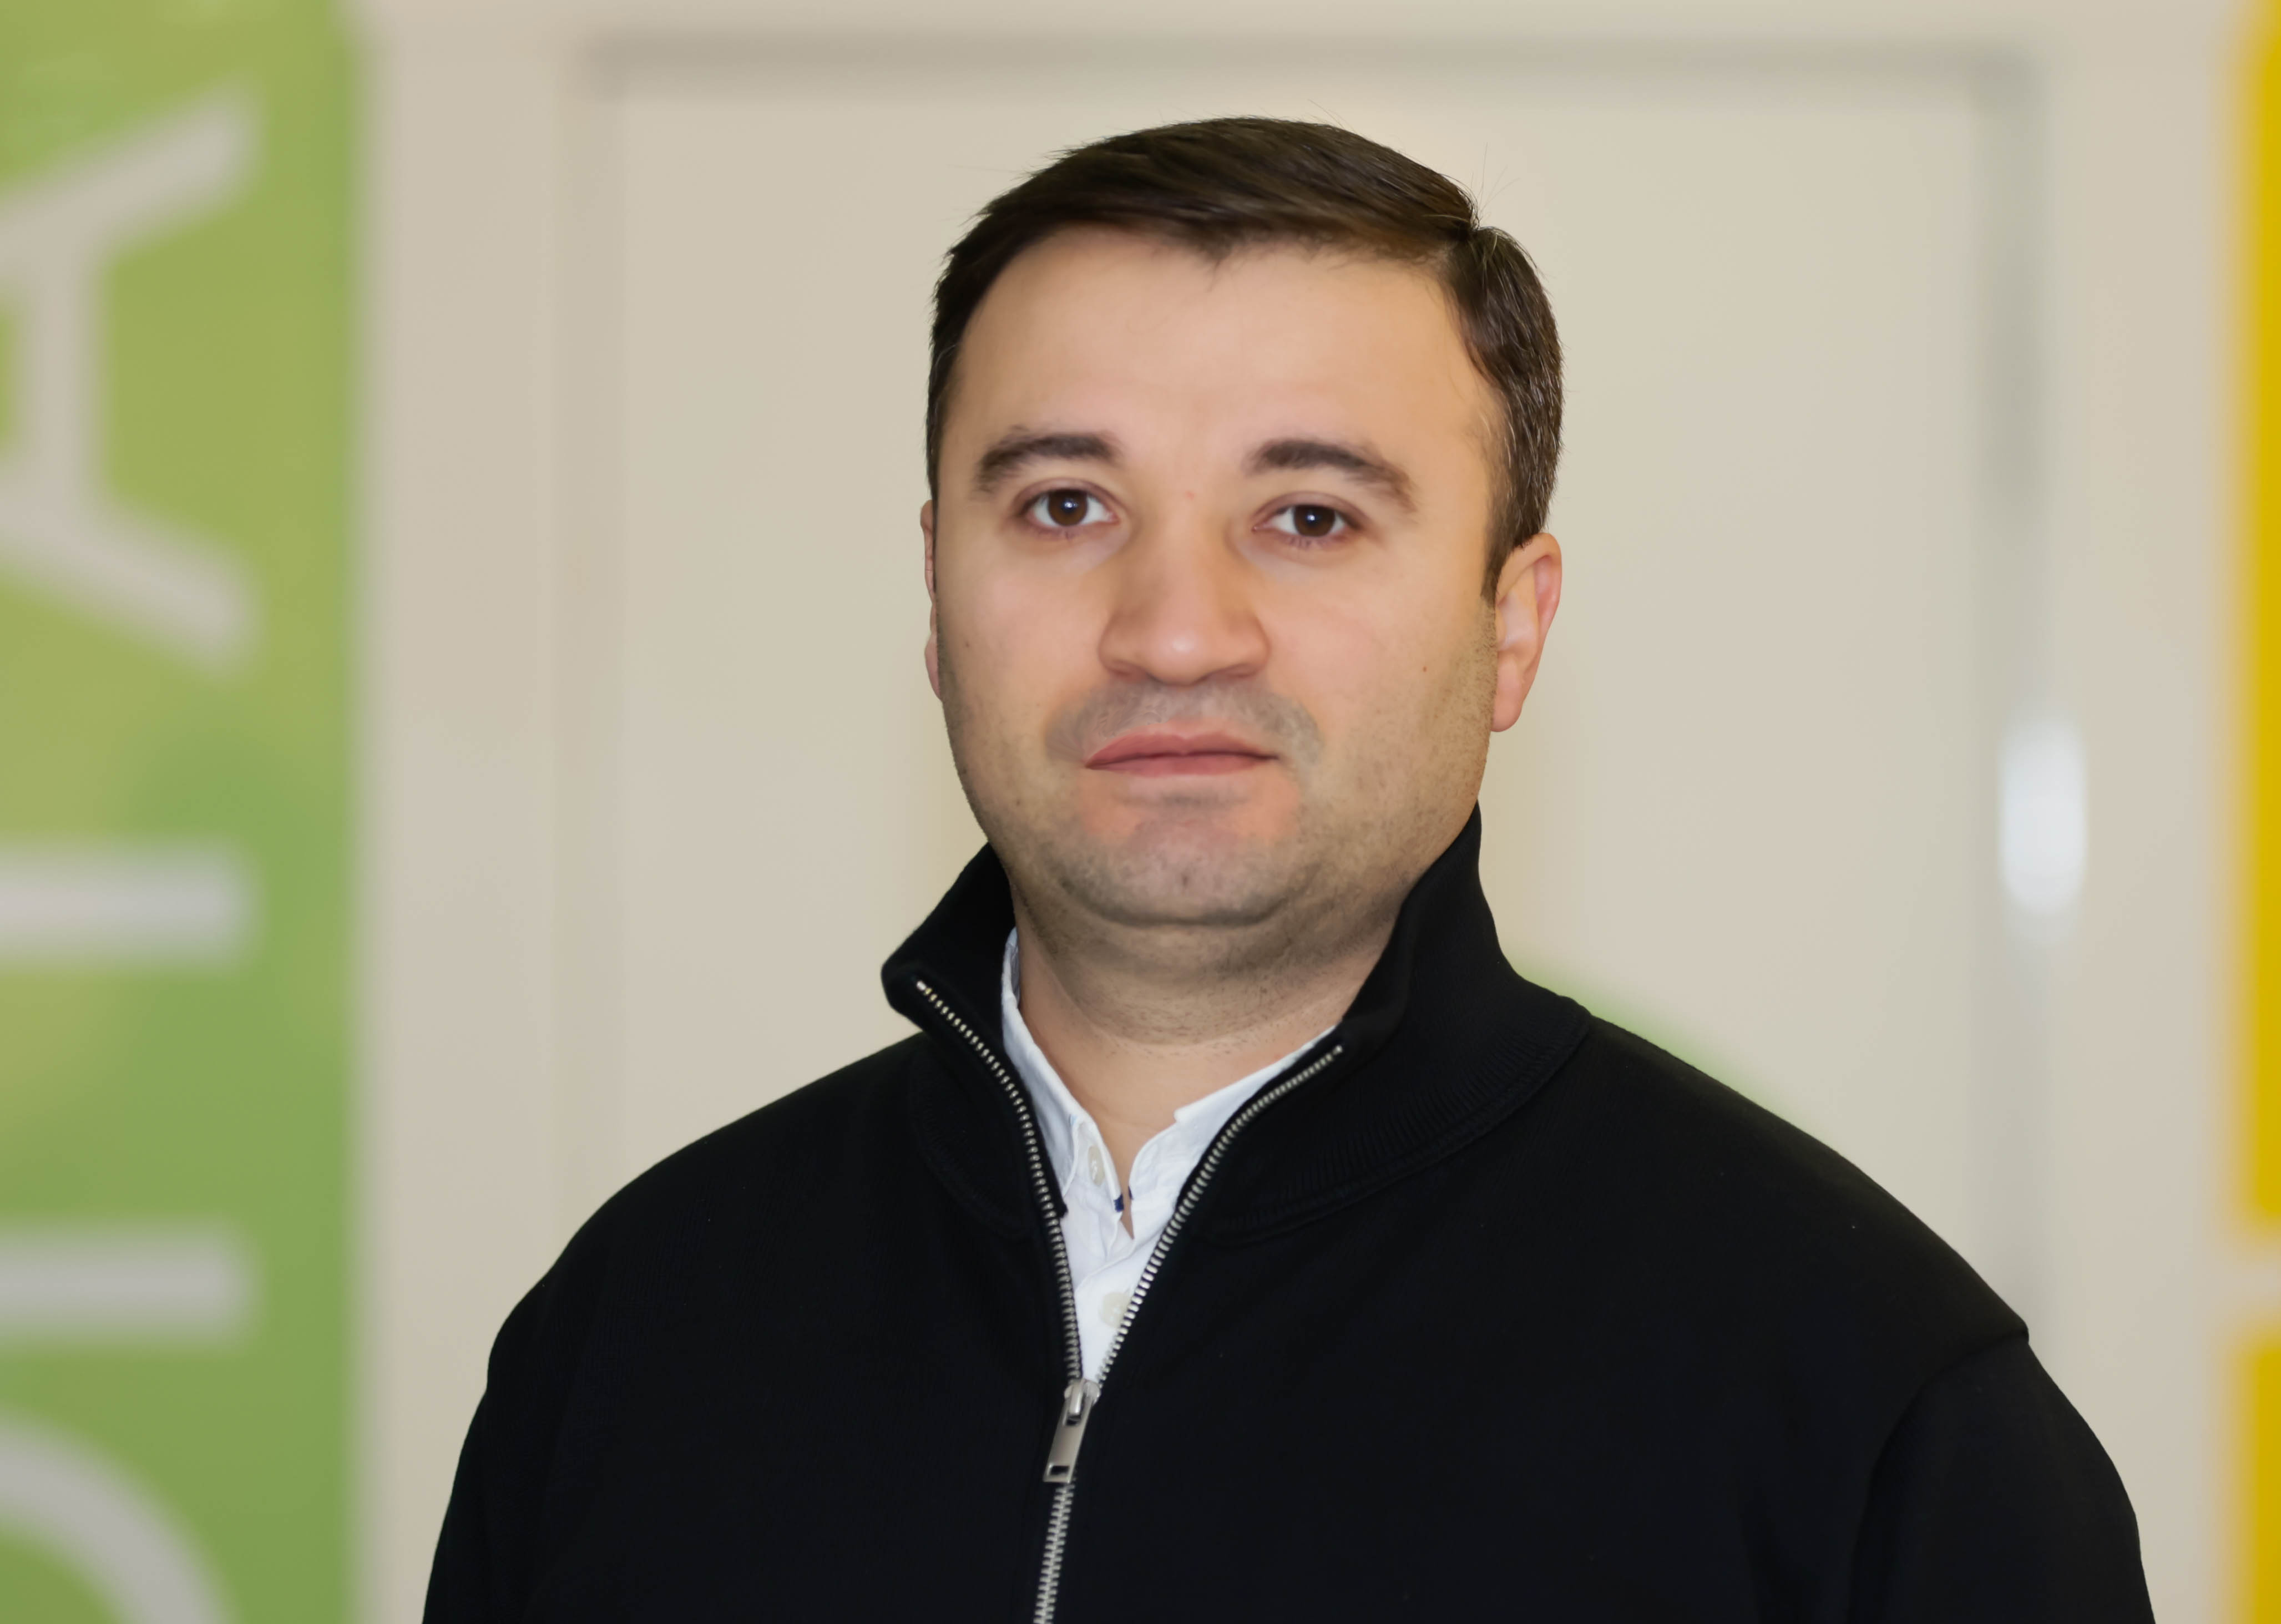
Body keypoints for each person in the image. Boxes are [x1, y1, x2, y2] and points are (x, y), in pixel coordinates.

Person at [425, 118, 2151, 1621]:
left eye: (1310, 516)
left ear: (1511, 624)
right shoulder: (635, 1333)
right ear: (938, 593)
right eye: (1065, 505)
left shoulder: (1869, 1410)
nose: (1176, 630)